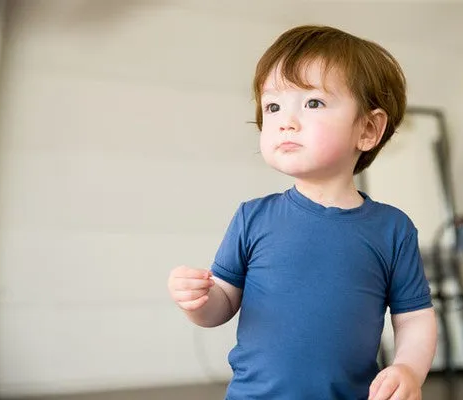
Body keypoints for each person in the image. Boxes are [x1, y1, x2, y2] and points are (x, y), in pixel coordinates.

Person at [168, 25, 437, 400]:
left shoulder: (392, 229)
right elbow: (222, 306)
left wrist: (409, 369)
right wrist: (197, 300)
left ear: (368, 128)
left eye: (312, 103)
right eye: (273, 106)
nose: (284, 121)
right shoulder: (253, 218)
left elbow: (414, 317)